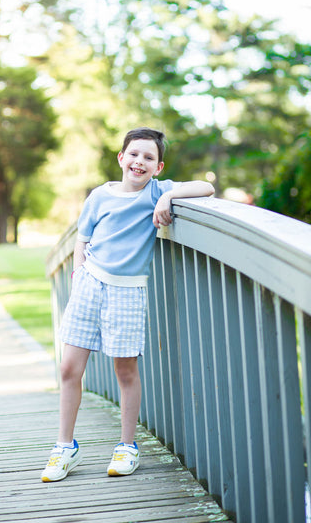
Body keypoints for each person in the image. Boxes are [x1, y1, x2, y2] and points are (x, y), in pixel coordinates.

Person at [41, 127, 214, 482]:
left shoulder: (156, 191)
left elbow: (207, 187)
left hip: (127, 291)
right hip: (89, 284)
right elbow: (82, 239)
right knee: (69, 369)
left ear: (158, 167)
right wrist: (77, 278)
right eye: (134, 154)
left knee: (125, 371)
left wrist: (169, 198)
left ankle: (126, 446)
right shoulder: (99, 196)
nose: (140, 162)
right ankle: (64, 447)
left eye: (149, 158)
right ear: (121, 158)